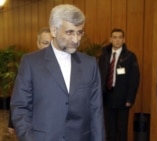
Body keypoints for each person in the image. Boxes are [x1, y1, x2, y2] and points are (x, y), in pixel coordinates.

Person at [10, 4, 104, 141]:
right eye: (70, 32)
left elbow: (96, 111)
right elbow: (20, 107)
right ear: (54, 31)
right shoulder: (31, 62)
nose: (76, 39)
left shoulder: (90, 64)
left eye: (79, 32)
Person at [7, 27, 53, 135]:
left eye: (52, 43)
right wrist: (11, 122)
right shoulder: (28, 64)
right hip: (32, 125)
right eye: (45, 43)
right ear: (38, 44)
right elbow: (18, 95)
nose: (49, 47)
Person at [98, 28, 140, 141]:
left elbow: (134, 79)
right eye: (114, 37)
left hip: (122, 98)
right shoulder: (104, 55)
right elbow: (99, 75)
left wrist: (130, 98)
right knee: (109, 129)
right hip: (107, 96)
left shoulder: (130, 56)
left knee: (121, 129)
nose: (117, 40)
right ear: (110, 39)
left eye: (120, 37)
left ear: (124, 40)